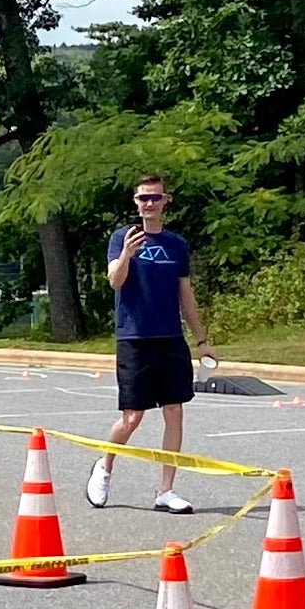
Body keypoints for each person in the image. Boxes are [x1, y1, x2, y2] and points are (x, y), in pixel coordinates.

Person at [89, 179, 213, 516]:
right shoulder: (121, 238)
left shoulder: (176, 245)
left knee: (174, 411)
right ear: (136, 202)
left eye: (155, 198)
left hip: (170, 338)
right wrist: (128, 254)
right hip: (134, 337)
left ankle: (166, 490)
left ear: (165, 201)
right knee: (132, 417)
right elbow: (115, 280)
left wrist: (201, 340)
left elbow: (185, 296)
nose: (149, 204)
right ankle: (105, 465)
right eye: (144, 198)